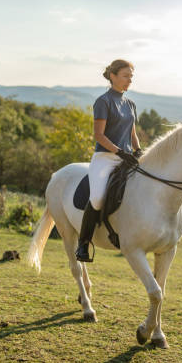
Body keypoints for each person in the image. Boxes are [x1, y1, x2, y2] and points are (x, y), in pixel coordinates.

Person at [75, 59, 143, 262]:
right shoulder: (103, 101)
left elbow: (132, 133)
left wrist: (139, 151)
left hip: (127, 158)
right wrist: (120, 152)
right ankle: (83, 245)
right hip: (105, 158)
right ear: (112, 76)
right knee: (96, 199)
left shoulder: (131, 104)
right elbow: (99, 135)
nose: (129, 80)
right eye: (125, 76)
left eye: (131, 76)